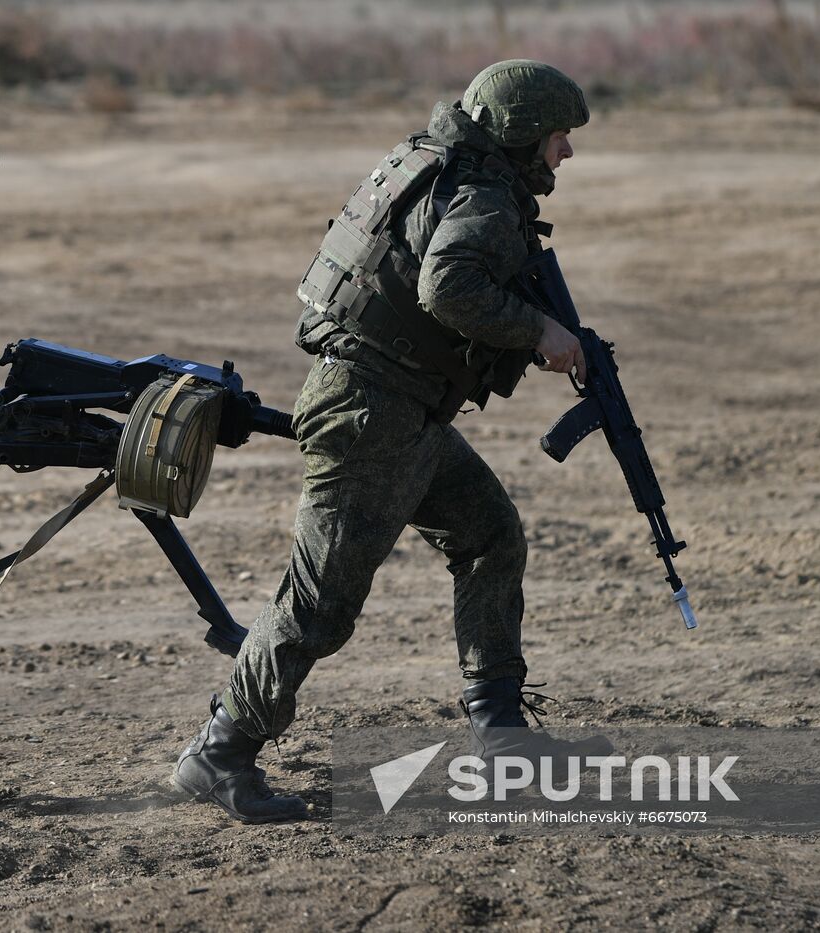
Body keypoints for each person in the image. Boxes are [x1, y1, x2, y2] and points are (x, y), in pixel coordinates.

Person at [174, 61, 602, 823]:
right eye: (557, 136)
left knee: (489, 535)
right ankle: (221, 750)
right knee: (319, 604)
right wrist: (540, 330)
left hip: (402, 409)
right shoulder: (482, 196)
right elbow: (448, 287)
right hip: (371, 415)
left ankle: (500, 730)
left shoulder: (442, 165)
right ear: (519, 133)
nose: (565, 151)